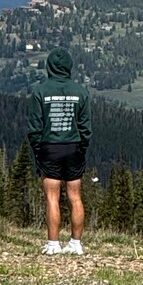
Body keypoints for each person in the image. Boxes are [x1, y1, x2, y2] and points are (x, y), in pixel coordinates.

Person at [27, 47, 92, 255]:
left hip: (49, 147)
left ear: (49, 67)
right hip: (74, 147)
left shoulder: (41, 91)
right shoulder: (80, 91)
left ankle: (53, 243)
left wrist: (38, 149)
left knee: (52, 197)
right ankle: (75, 243)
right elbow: (85, 126)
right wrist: (82, 147)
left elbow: (35, 126)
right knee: (75, 196)